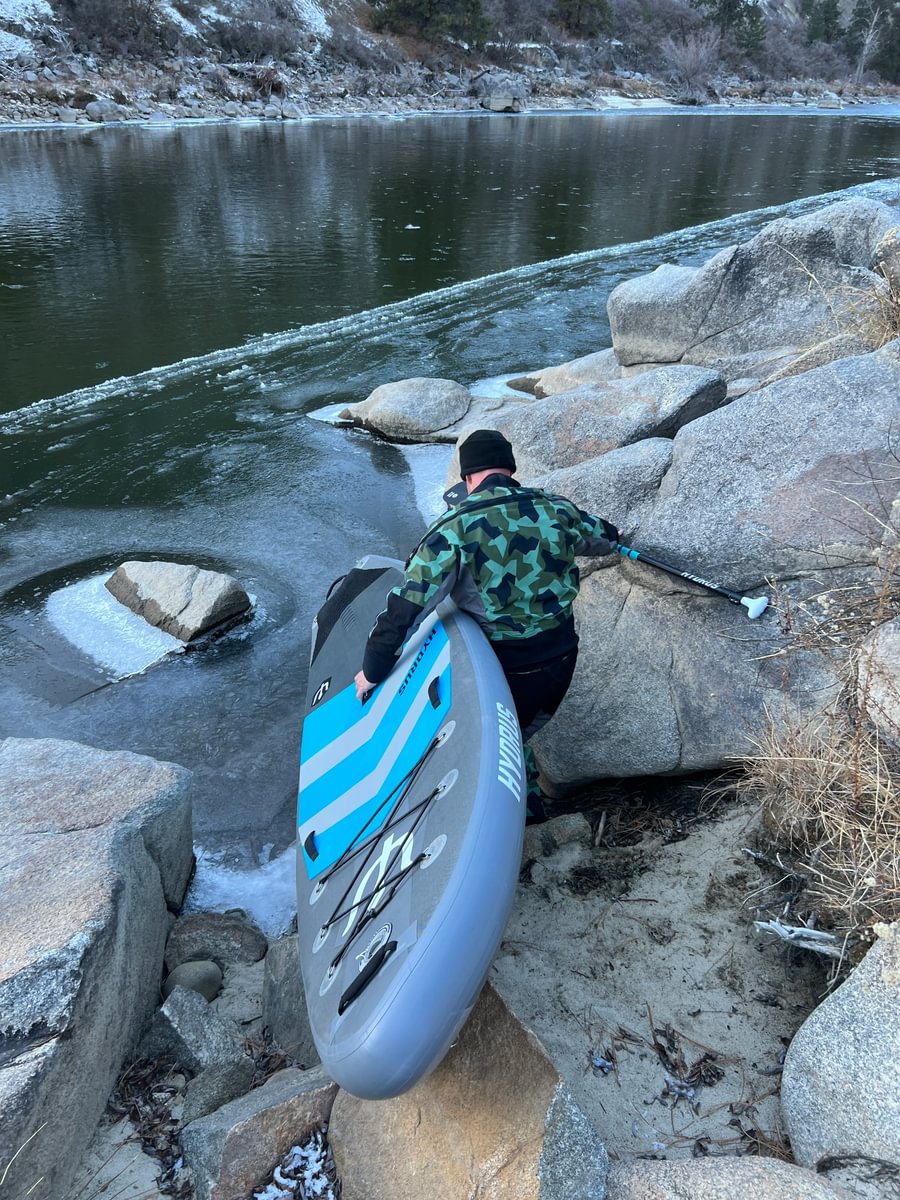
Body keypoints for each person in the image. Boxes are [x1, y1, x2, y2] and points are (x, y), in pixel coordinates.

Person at [354, 428, 619, 821]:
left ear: (467, 478)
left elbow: (405, 610)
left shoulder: (452, 529)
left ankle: (521, 817)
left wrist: (372, 671)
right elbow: (606, 538)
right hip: (562, 659)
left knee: (504, 740)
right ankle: (533, 815)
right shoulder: (556, 508)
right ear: (510, 469)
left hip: (506, 671)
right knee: (521, 734)